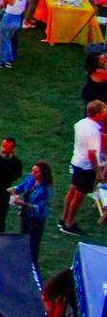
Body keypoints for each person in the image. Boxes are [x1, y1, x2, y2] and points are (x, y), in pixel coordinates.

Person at [62, 100, 105, 236]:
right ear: (98, 114)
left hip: (77, 161)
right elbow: (92, 154)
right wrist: (98, 172)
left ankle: (63, 219)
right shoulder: (94, 131)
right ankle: (69, 224)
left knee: (72, 190)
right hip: (87, 167)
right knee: (79, 196)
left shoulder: (80, 123)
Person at [15, 161, 54, 267]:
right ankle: (21, 260)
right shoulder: (30, 178)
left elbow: (40, 208)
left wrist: (24, 203)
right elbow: (20, 187)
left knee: (33, 243)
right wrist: (13, 190)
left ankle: (33, 265)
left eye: (36, 172)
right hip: (25, 214)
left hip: (37, 219)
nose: (33, 173)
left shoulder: (46, 189)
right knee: (23, 237)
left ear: (43, 174)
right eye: (33, 171)